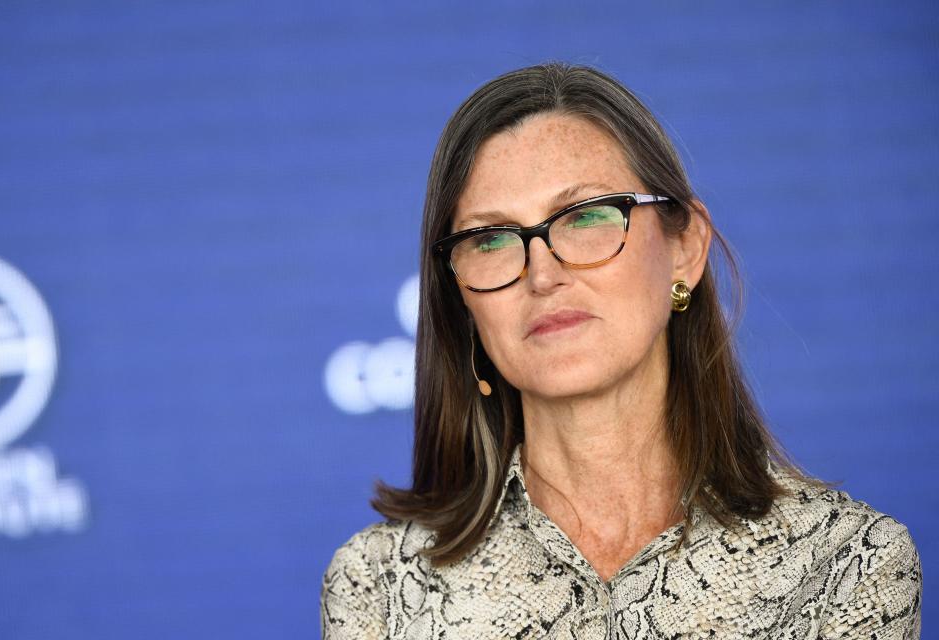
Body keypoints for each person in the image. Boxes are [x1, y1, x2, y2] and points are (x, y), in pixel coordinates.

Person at [320, 62, 922, 639]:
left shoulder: (847, 565)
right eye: (492, 238)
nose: (542, 273)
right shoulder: (379, 586)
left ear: (685, 248)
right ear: (462, 303)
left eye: (584, 218)